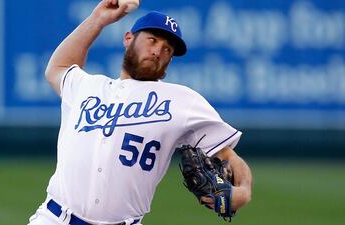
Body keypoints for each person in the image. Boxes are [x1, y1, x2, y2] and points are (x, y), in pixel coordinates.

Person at [28, 0, 252, 225]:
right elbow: (58, 68)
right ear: (128, 39)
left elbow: (229, 157)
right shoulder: (88, 87)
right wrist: (98, 19)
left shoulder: (182, 101)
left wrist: (243, 191)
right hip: (55, 218)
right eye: (152, 40)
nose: (157, 51)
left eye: (167, 49)